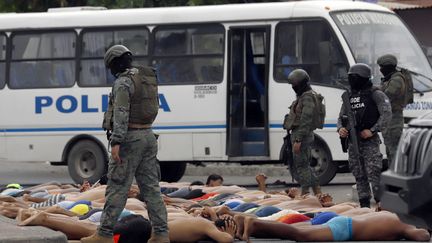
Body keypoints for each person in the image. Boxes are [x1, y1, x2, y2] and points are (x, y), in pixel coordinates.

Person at [81, 45, 169, 243]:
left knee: (117, 187)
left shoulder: (123, 82)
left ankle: (104, 234)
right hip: (148, 135)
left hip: (130, 138)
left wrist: (116, 142)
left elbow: (121, 113)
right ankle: (161, 234)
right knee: (151, 189)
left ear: (114, 64)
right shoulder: (144, 77)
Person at [338, 63, 392, 208]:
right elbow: (341, 117)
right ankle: (364, 207)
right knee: (359, 174)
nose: (351, 80)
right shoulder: (348, 96)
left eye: (354, 77)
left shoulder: (376, 94)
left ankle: (382, 205)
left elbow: (386, 115)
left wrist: (372, 130)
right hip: (353, 142)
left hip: (369, 142)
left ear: (362, 78)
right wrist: (341, 129)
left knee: (374, 173)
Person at [235, 211, 430, 242]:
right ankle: (255, 223)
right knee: (300, 236)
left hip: (343, 221)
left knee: (300, 232)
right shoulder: (407, 225)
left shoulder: (394, 214)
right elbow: (422, 237)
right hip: (346, 228)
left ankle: (253, 226)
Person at [282, 69, 322, 196]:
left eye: (295, 84)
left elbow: (306, 120)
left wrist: (298, 140)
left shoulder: (307, 97)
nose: (293, 87)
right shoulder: (305, 96)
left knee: (301, 166)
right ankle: (317, 192)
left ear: (302, 83)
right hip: (301, 134)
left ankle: (305, 193)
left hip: (301, 135)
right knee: (305, 165)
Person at [377, 54, 405, 167]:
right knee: (390, 150)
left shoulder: (397, 80)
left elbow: (386, 96)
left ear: (388, 67)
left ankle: (396, 177)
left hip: (394, 120)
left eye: (382, 67)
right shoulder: (390, 79)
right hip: (389, 119)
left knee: (394, 151)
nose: (380, 69)